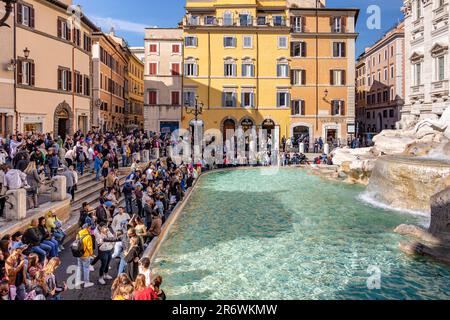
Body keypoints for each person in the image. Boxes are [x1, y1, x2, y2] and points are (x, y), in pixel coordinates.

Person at [75, 224, 94, 288]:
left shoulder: (79, 233)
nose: (90, 229)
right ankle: (86, 282)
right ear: (87, 228)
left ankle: (78, 281)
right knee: (86, 268)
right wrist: (91, 254)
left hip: (78, 254)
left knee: (79, 267)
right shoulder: (88, 236)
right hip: (85, 255)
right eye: (90, 228)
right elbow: (89, 247)